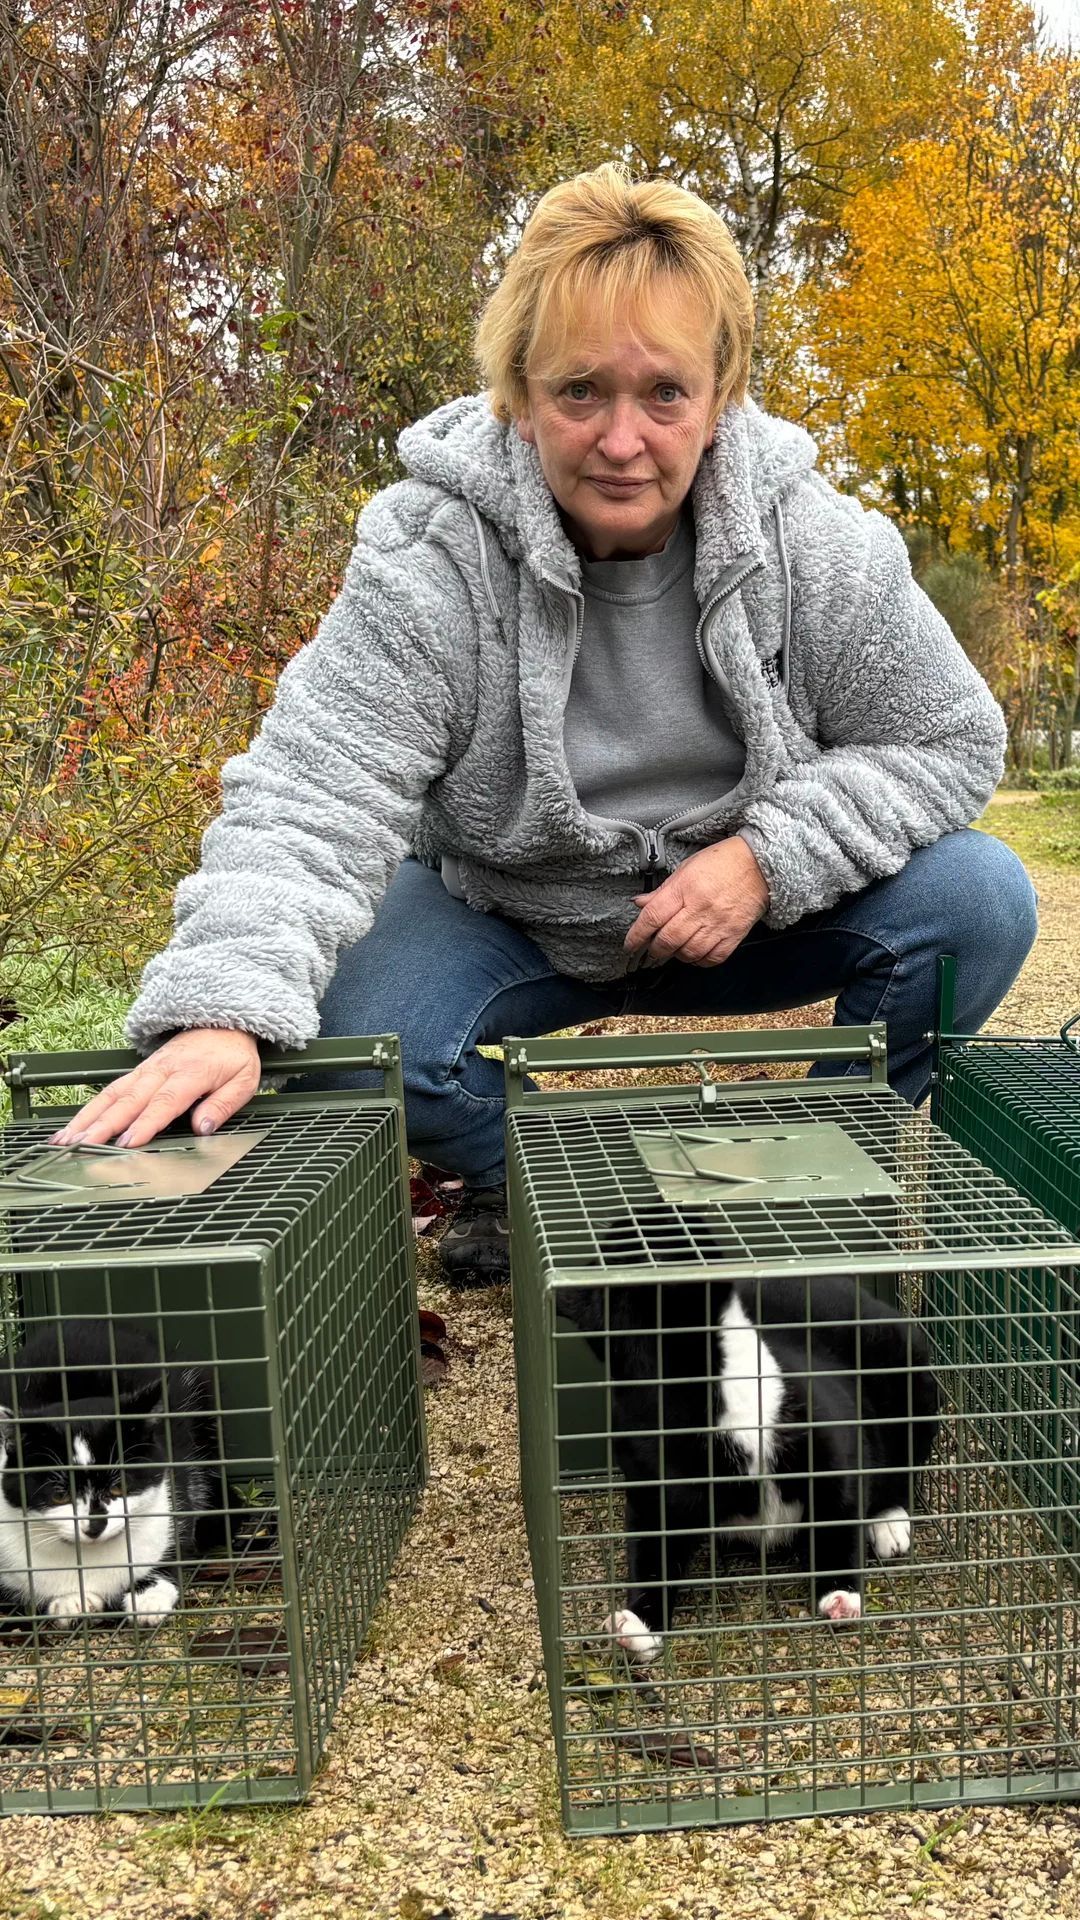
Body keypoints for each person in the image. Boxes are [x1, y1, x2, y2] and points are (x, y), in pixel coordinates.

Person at [54, 162, 1036, 1285]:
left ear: (722, 397)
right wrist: (222, 1007)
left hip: (747, 920)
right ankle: (546, 1188)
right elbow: (312, 791)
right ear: (518, 393)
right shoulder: (431, 558)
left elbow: (950, 740)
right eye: (581, 393)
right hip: (513, 916)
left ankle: (805, 1174)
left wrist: (769, 859)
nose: (624, 439)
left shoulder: (815, 543)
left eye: (665, 393)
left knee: (982, 901)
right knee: (351, 1047)